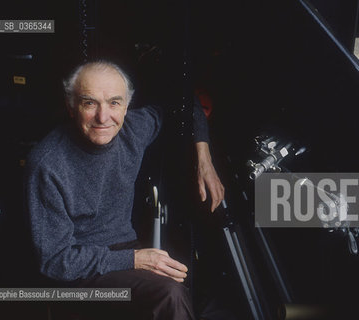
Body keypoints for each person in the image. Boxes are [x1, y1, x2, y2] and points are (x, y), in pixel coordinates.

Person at [25, 60, 224, 319]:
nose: (103, 116)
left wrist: (204, 156)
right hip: (75, 277)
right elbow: (54, 261)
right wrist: (134, 259)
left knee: (192, 282)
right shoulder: (47, 164)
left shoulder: (133, 129)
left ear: (126, 106)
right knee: (169, 294)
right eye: (89, 102)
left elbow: (183, 100)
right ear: (71, 107)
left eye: (114, 103)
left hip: (124, 252)